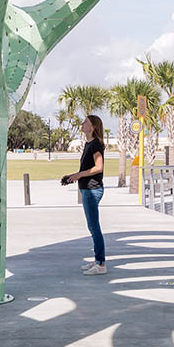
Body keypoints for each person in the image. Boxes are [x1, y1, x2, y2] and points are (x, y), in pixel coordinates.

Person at [61, 114, 107, 274]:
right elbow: (85, 169)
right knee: (92, 226)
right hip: (87, 189)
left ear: (93, 127)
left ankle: (101, 265)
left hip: (92, 190)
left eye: (85, 122)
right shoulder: (89, 144)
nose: (82, 124)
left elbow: (98, 167)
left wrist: (79, 175)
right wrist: (73, 176)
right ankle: (97, 260)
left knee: (94, 227)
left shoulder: (95, 145)